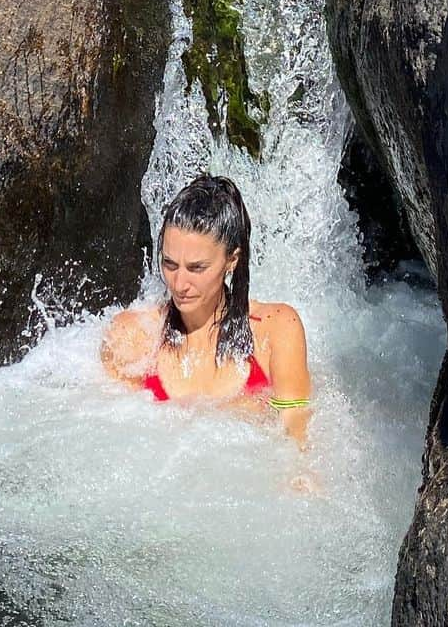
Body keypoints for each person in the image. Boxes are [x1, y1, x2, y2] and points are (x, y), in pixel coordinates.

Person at [101, 174, 313, 443]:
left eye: (196, 268)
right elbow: (112, 440)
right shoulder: (132, 336)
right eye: (169, 264)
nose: (179, 284)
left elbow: (298, 438)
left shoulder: (276, 330)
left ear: (232, 260)